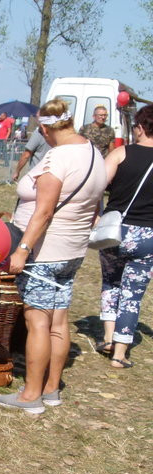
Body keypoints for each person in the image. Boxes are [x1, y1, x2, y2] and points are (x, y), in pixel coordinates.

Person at [0, 98, 107, 413]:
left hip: (45, 252)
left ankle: (31, 396)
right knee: (58, 320)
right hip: (73, 251)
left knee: (37, 321)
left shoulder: (58, 158)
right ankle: (52, 388)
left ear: (45, 127)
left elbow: (43, 211)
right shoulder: (94, 153)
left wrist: (22, 248)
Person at [97, 104, 153, 368]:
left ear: (140, 127)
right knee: (133, 295)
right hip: (148, 235)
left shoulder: (120, 153)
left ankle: (107, 337)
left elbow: (97, 186)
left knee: (111, 282)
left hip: (115, 230)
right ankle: (120, 354)